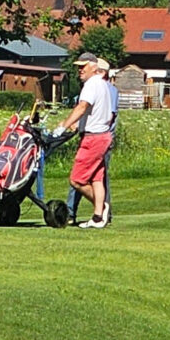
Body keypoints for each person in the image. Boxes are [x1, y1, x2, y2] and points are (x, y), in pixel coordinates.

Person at [54, 57, 117, 229]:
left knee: (77, 180)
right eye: (78, 67)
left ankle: (102, 207)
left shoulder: (91, 85)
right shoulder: (103, 84)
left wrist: (64, 125)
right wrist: (77, 125)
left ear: (93, 67)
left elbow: (82, 107)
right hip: (101, 135)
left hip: (94, 138)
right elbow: (95, 113)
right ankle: (98, 218)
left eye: (83, 67)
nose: (80, 70)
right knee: (96, 179)